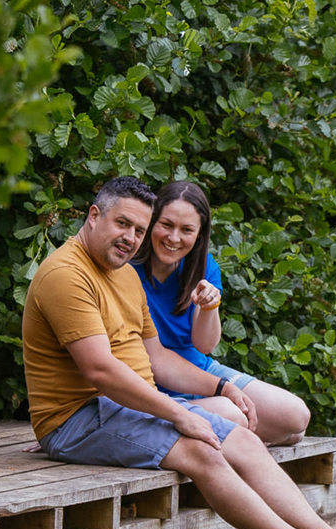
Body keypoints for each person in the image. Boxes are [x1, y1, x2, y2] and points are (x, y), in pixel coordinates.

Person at [21, 176, 336, 529]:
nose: (131, 238)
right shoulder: (66, 275)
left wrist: (220, 387)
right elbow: (99, 371)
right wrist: (179, 413)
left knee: (241, 439)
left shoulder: (122, 274)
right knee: (203, 451)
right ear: (94, 215)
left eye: (139, 229)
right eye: (123, 224)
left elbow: (157, 358)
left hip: (123, 408)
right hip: (78, 419)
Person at [131, 179, 310, 446]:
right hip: (155, 380)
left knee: (296, 419)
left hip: (199, 370)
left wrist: (208, 307)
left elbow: (204, 346)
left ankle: (235, 431)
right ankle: (234, 432)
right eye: (166, 225)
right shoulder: (128, 268)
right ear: (152, 222)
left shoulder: (204, 266)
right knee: (239, 417)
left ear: (200, 234)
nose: (174, 238)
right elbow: (153, 358)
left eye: (187, 229)